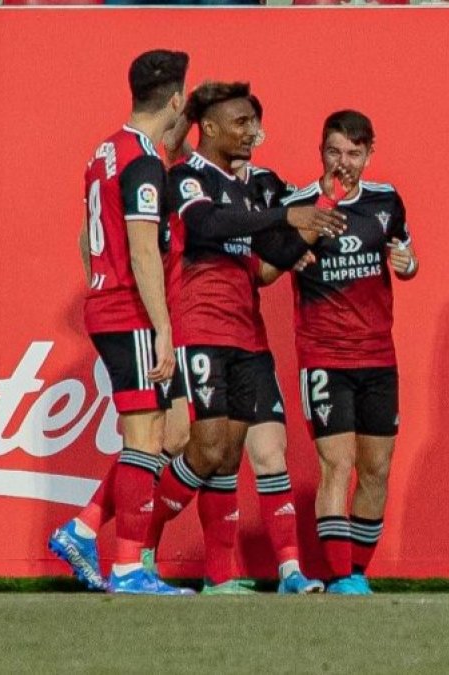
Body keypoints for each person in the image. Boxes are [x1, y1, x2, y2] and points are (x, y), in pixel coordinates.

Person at [144, 81, 342, 594]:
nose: (253, 132)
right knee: (206, 451)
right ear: (208, 128)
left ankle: (241, 574)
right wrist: (284, 216)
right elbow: (207, 225)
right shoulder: (188, 178)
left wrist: (311, 228)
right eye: (241, 123)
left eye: (255, 122)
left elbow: (270, 252)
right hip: (200, 328)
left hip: (248, 334)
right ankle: (141, 542)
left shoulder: (253, 185)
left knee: (249, 452)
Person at [47, 49, 191, 596]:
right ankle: (128, 565)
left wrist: (98, 281)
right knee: (144, 438)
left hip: (114, 303)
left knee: (167, 433)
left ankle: (84, 527)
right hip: (131, 309)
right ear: (176, 99)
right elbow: (142, 249)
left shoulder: (105, 151)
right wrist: (161, 328)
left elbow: (88, 236)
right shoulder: (143, 160)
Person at [281, 109, 418, 595]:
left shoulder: (386, 201)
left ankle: (356, 574)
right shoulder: (298, 203)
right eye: (335, 152)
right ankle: (339, 576)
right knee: (337, 462)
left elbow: (407, 254)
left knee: (376, 468)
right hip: (324, 356)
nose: (344, 163)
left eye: (354, 153)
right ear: (321, 151)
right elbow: (272, 261)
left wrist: (407, 263)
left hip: (379, 356)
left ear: (369, 153)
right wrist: (295, 249)